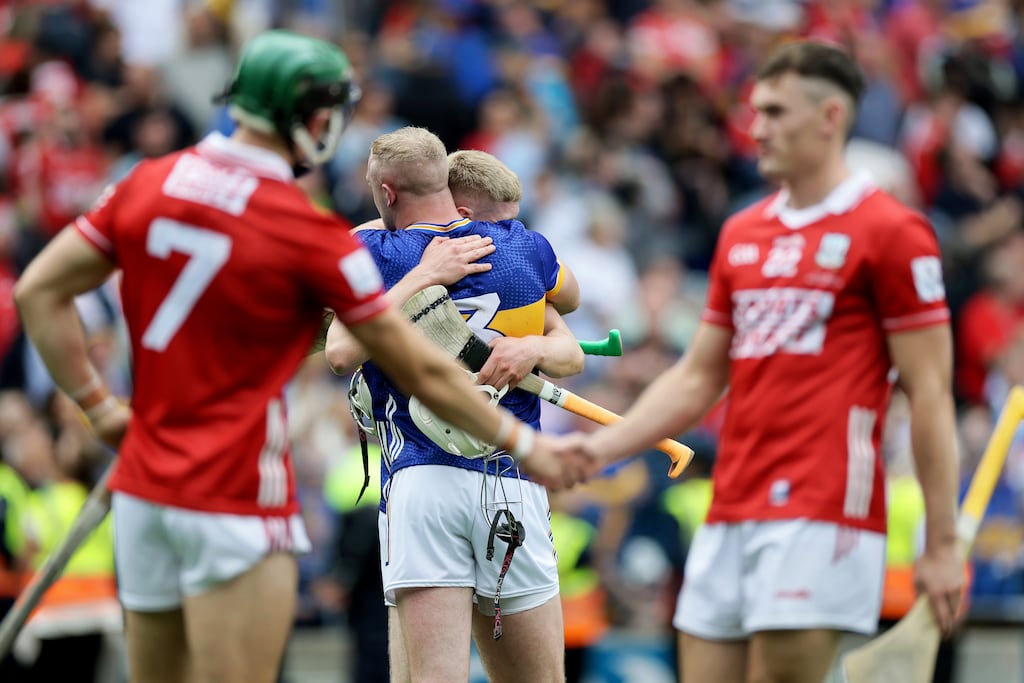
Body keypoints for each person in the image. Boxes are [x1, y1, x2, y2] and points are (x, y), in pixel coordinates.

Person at [13, 31, 580, 683]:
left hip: (145, 483)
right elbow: (407, 362)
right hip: (239, 489)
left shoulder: (145, 183)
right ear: (315, 121)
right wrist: (523, 442)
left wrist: (99, 407)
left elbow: (38, 290)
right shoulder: (304, 227)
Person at [562, 40, 964, 683]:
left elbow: (931, 391)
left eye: (775, 112)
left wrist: (940, 545)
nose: (757, 127)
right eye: (755, 110)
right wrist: (602, 449)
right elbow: (699, 375)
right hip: (733, 502)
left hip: (823, 506)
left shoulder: (892, 231)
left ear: (831, 117)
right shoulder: (742, 231)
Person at [325, 128, 584, 683]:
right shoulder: (525, 246)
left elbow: (340, 352)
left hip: (423, 484)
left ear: (387, 193)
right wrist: (534, 340)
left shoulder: (372, 252)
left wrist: (418, 273)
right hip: (512, 480)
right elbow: (572, 302)